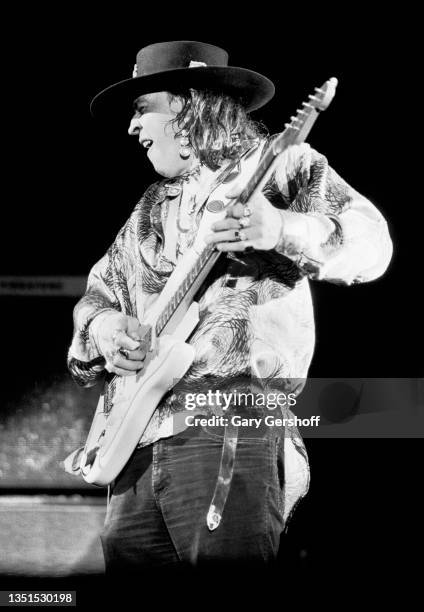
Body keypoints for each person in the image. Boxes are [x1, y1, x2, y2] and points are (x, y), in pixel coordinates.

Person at [66, 41, 393, 571]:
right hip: (135, 445)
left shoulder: (286, 166)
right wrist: (105, 330)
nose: (131, 128)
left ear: (184, 105)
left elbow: (373, 246)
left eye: (140, 108)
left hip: (227, 428)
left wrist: (280, 228)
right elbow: (97, 297)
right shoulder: (149, 207)